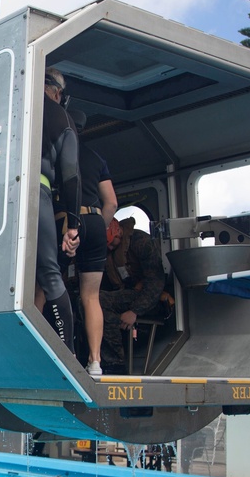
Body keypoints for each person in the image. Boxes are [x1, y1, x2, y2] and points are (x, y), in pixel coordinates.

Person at [66, 110, 117, 376]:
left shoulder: (59, 151)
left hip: (68, 221)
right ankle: (95, 363)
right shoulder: (97, 158)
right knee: (91, 296)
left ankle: (64, 352)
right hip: (97, 222)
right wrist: (100, 225)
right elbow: (112, 202)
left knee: (45, 286)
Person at [35, 68, 81, 353]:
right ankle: (68, 355)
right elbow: (71, 175)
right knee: (49, 275)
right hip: (36, 192)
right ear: (54, 90)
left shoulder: (13, 102)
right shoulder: (61, 118)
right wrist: (72, 224)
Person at [98, 216, 170, 373]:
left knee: (99, 300)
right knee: (87, 301)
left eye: (111, 243)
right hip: (126, 296)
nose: (109, 248)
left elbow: (155, 281)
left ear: (118, 233)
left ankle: (114, 364)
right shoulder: (108, 251)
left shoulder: (140, 241)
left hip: (151, 300)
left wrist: (135, 311)